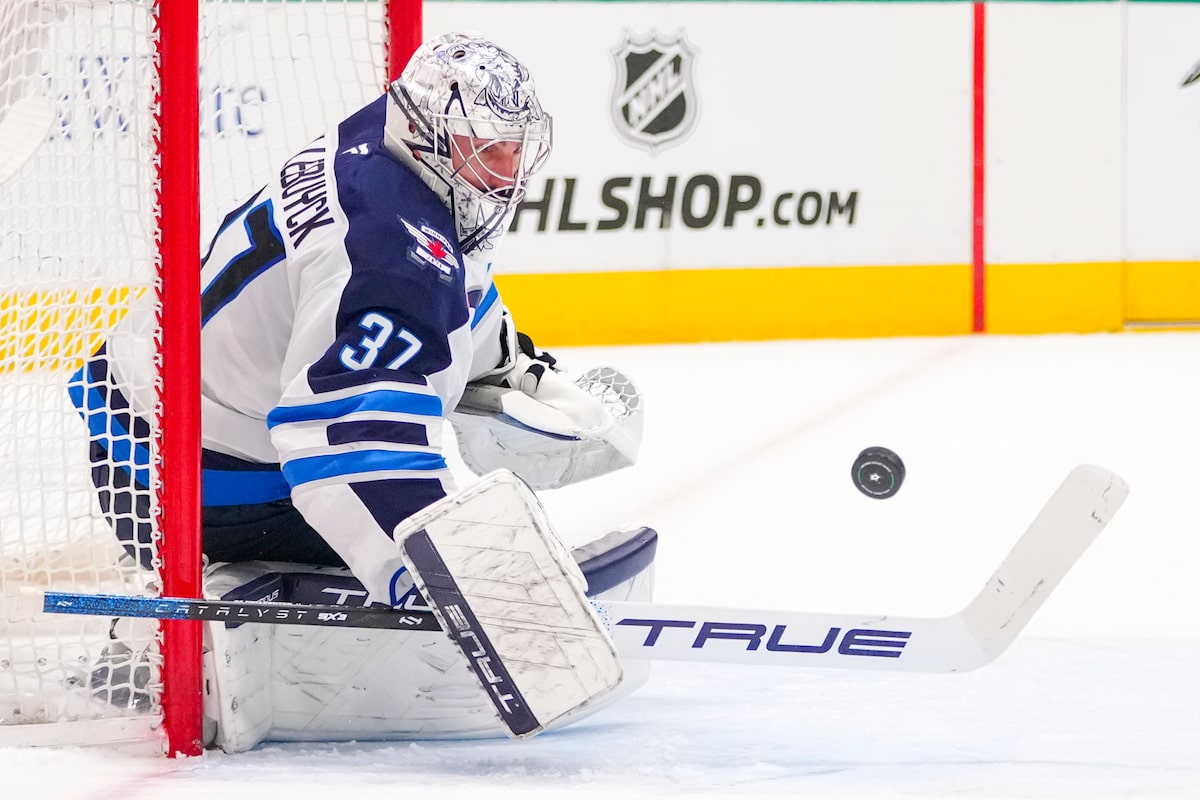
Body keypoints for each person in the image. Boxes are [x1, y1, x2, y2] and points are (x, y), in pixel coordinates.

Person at [69, 31, 642, 608]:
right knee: (420, 524)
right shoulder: (390, 250)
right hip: (181, 485)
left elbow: (442, 273)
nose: (506, 172)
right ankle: (216, 595)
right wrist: (444, 581)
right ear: (431, 135)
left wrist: (499, 366)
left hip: (150, 415)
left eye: (516, 149)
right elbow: (341, 436)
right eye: (489, 149)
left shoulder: (388, 143)